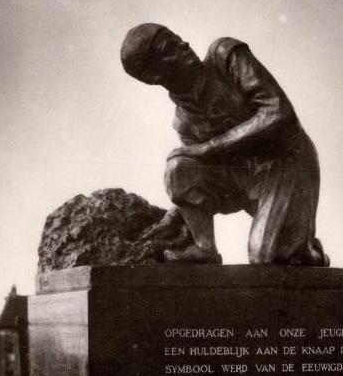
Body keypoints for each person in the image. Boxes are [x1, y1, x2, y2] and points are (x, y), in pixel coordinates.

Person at [120, 23, 329, 266]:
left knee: (268, 258)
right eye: (170, 47)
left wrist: (209, 147)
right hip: (245, 177)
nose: (183, 44)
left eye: (177, 37)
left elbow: (279, 112)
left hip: (286, 162)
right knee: (178, 166)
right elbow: (201, 177)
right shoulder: (183, 121)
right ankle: (205, 249)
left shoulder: (225, 55)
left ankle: (309, 250)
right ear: (154, 75)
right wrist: (171, 219)